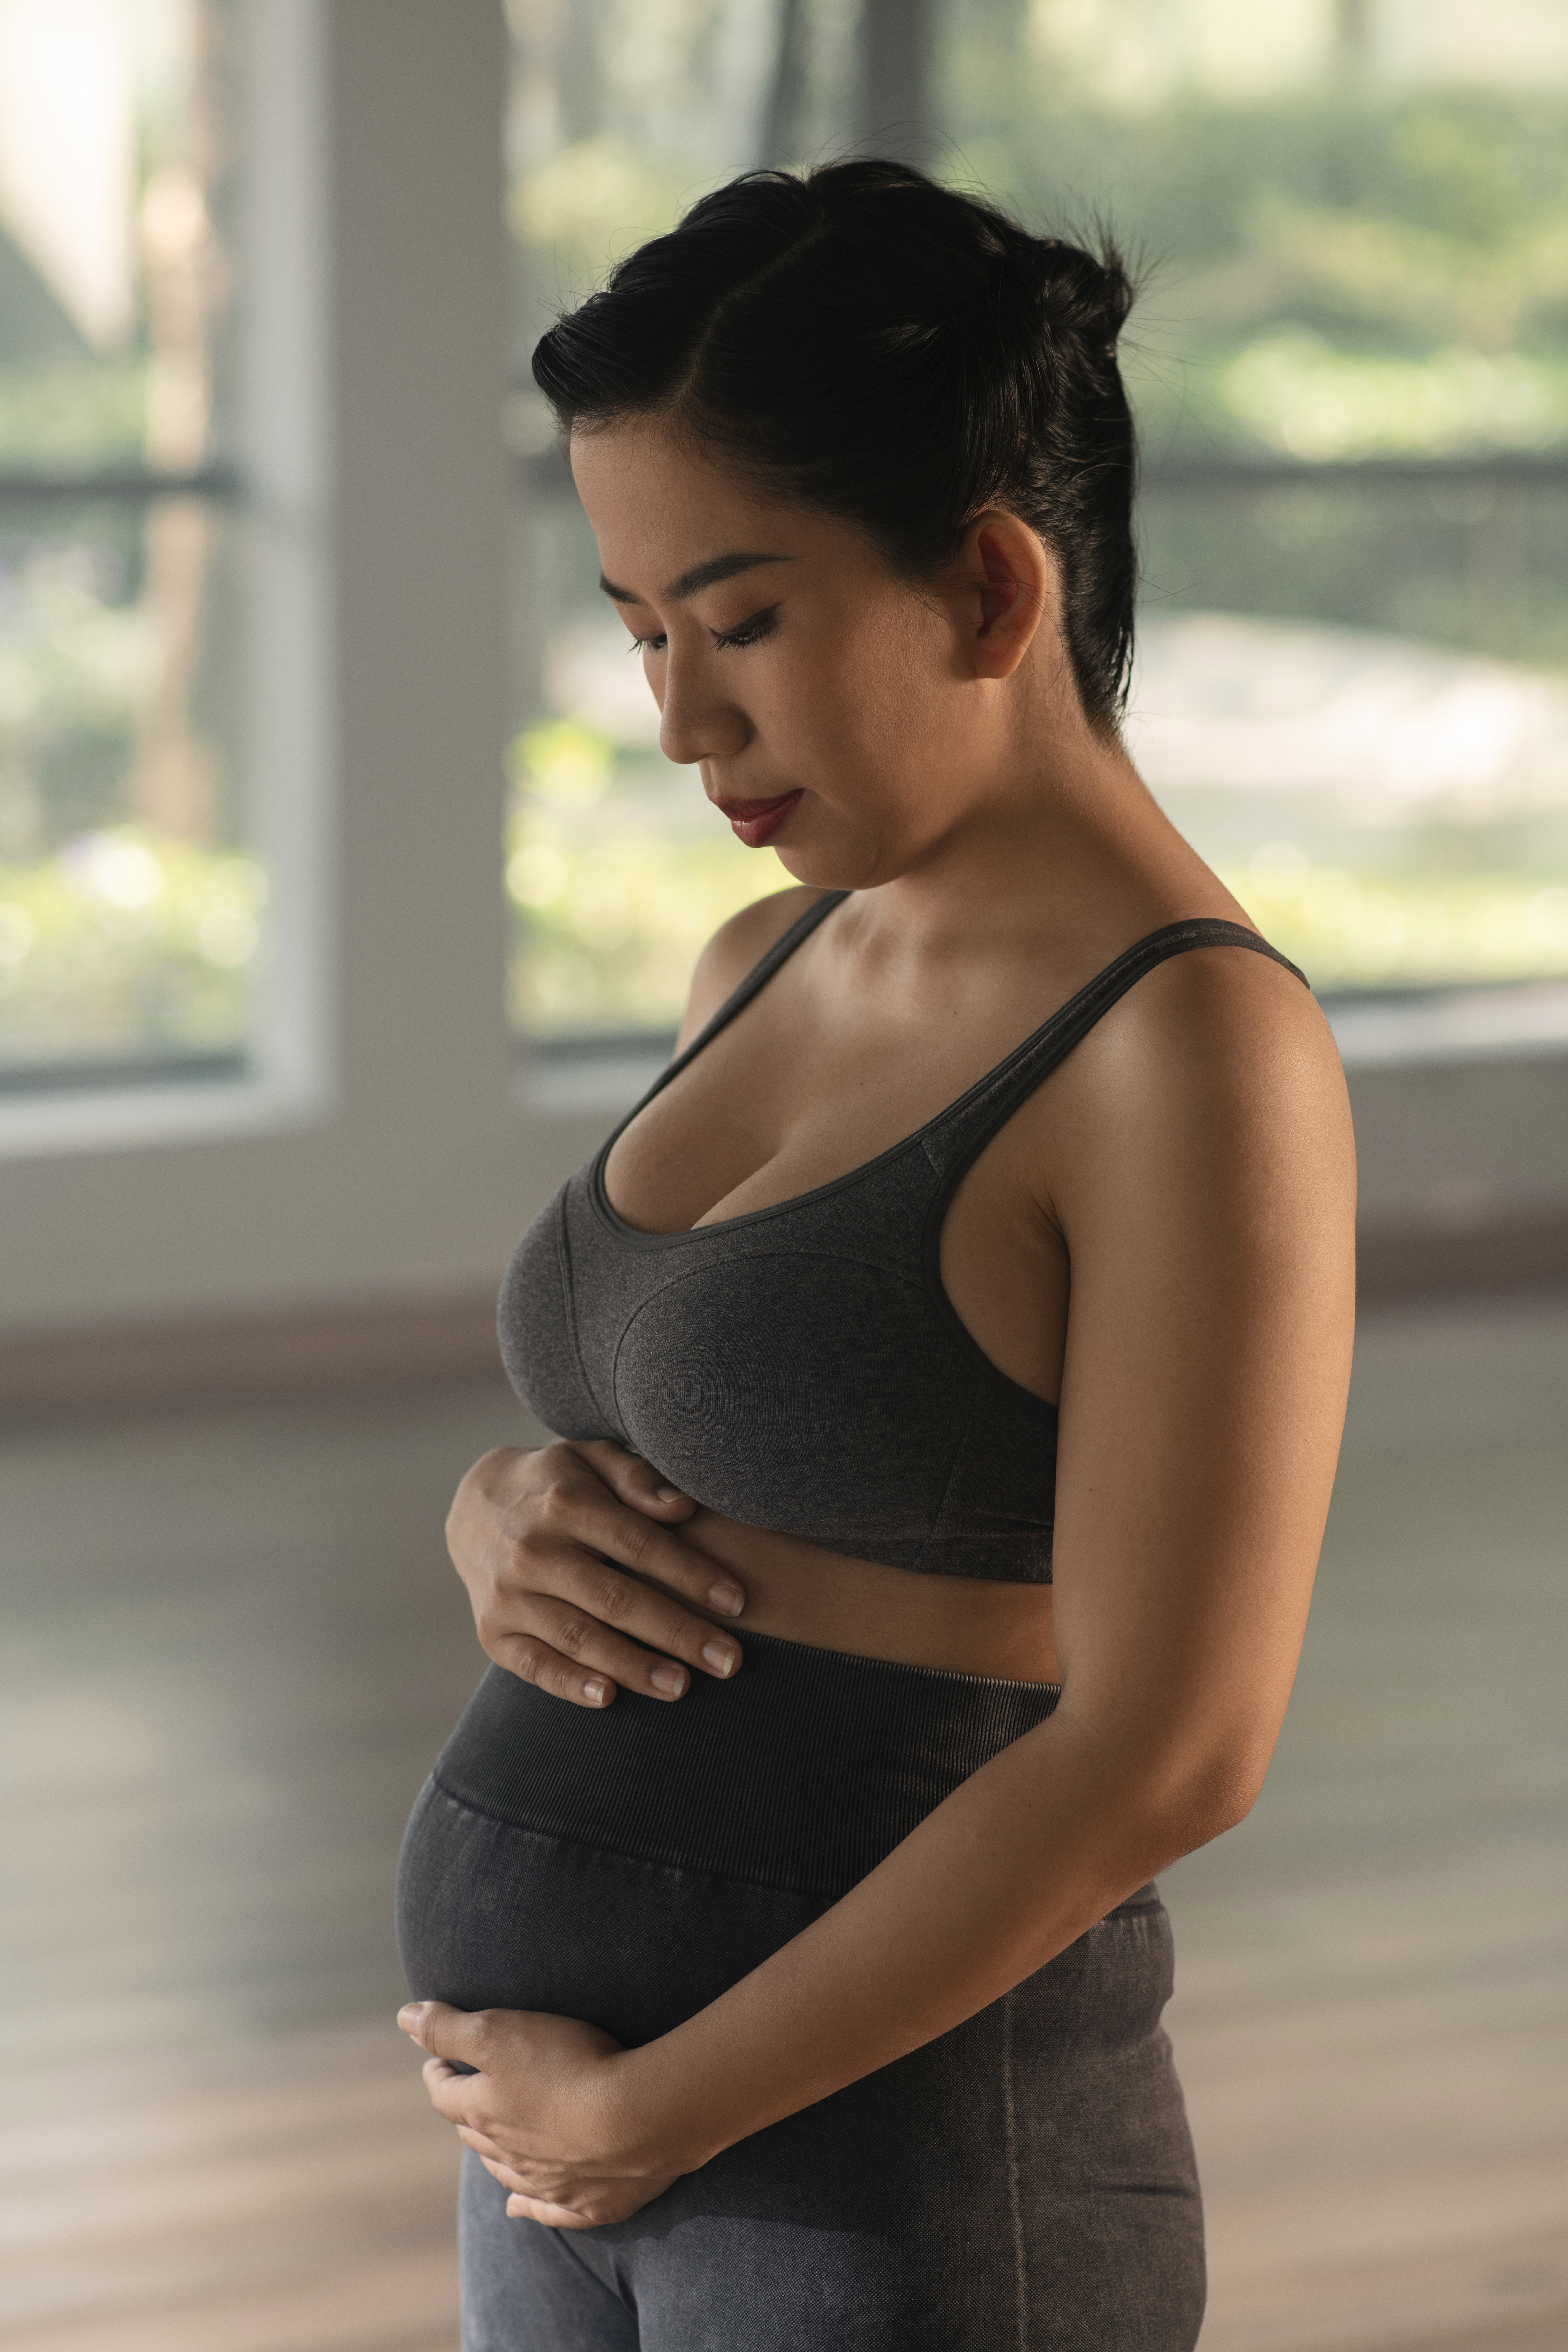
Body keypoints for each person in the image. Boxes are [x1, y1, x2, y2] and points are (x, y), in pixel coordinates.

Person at [394, 159, 1356, 2352]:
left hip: (894, 2176)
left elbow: (1171, 1747)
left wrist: (651, 2107)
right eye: (642, 630)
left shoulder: (1192, 1046)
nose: (679, 723)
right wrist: (495, 1511)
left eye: (740, 622)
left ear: (994, 587)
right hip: (561, 2147)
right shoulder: (760, 959)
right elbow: (708, 1436)